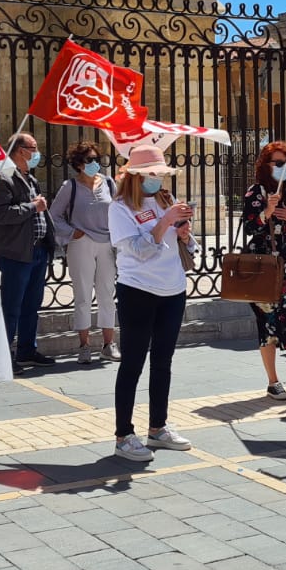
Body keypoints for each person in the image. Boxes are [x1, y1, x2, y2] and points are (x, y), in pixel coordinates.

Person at [107, 145, 196, 461]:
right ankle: (123, 435)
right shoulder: (120, 207)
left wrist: (185, 234)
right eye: (152, 174)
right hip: (138, 290)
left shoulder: (166, 199)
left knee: (163, 361)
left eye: (161, 174)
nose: (158, 179)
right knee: (132, 363)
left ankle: (158, 428)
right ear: (136, 175)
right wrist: (165, 223)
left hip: (172, 290)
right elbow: (135, 250)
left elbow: (187, 244)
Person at [241, 142, 286, 399]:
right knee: (267, 322)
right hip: (263, 261)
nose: (282, 168)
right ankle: (273, 382)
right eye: (277, 163)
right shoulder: (256, 192)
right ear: (266, 165)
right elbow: (250, 227)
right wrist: (268, 212)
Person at [0, 132, 58, 369]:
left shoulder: (29, 179)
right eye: (34, 148)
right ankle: (4, 354)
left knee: (32, 305)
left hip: (36, 251)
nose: (37, 153)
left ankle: (27, 350)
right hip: (17, 253)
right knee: (12, 306)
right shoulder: (4, 178)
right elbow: (0, 214)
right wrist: (32, 206)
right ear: (20, 150)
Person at [52, 141, 119, 364]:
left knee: (106, 293)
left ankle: (109, 344)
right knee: (82, 295)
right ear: (79, 164)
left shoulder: (108, 183)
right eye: (89, 160)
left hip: (106, 242)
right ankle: (84, 345)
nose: (94, 163)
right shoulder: (70, 186)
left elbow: (120, 210)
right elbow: (54, 215)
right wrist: (72, 233)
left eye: (96, 159)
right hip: (81, 243)